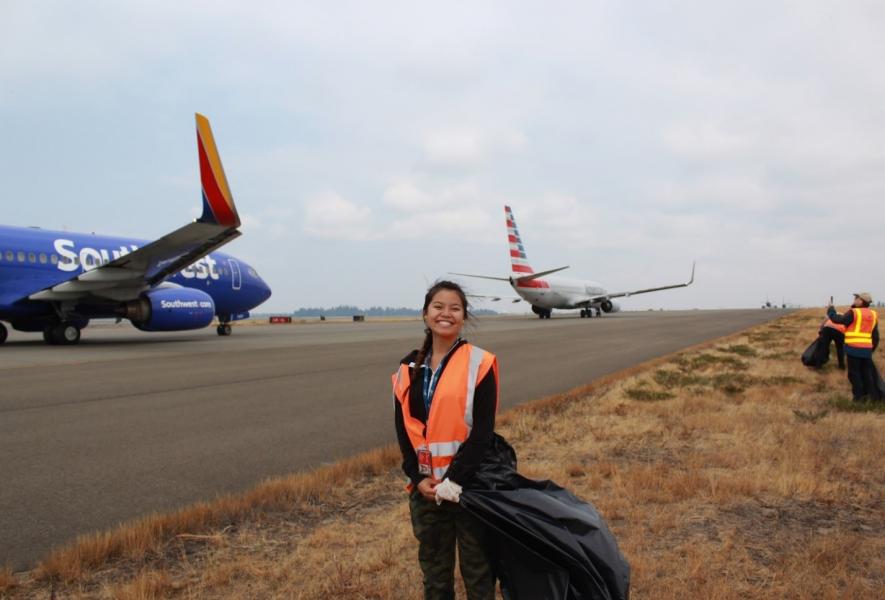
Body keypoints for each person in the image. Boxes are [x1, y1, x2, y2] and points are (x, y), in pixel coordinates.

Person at [392, 280, 498, 600]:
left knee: (478, 574)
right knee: (435, 576)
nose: (446, 314)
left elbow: (482, 434)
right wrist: (417, 476)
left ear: (463, 317)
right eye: (438, 307)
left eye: (455, 308)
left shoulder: (480, 362)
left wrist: (453, 482)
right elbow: (403, 430)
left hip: (469, 489)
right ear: (425, 314)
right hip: (426, 491)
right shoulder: (408, 368)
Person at [827, 292, 880, 401]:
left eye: (857, 298)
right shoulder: (873, 314)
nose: (854, 299)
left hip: (854, 349)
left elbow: (838, 320)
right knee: (867, 374)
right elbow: (875, 336)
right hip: (866, 350)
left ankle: (858, 398)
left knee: (854, 374)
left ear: (861, 301)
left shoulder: (854, 313)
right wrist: (871, 349)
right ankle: (872, 397)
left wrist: (831, 310)